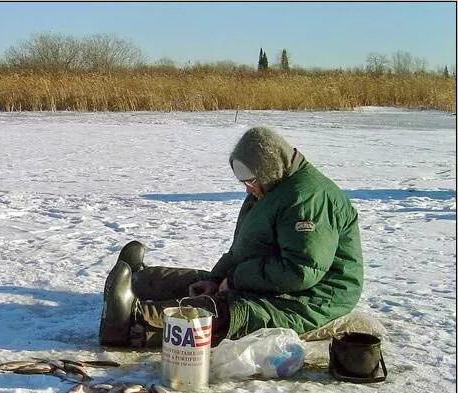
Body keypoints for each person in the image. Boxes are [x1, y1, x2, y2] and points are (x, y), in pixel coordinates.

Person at [99, 126, 364, 348]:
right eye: (242, 180)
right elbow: (243, 250)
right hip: (275, 279)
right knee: (202, 283)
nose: (246, 187)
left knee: (231, 308)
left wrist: (235, 279)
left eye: (250, 179)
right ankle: (140, 280)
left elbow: (300, 271)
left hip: (312, 297)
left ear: (269, 169)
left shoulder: (307, 201)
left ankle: (132, 321)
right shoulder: (270, 188)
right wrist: (216, 279)